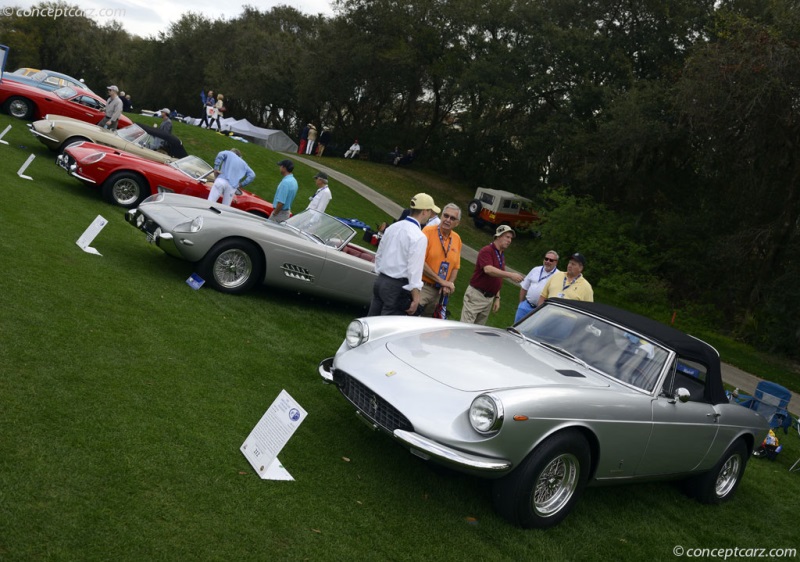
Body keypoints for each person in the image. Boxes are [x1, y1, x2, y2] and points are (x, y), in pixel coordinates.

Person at [368, 193, 440, 316]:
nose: (430, 215)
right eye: (429, 211)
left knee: (370, 322)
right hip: (396, 287)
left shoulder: (393, 227)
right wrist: (416, 298)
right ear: (424, 211)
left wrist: (381, 273)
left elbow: (379, 254)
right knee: (388, 329)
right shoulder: (419, 236)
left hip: (381, 280)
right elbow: (414, 270)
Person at [460, 225, 525, 325]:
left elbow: (497, 276)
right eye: (507, 237)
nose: (509, 241)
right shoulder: (487, 251)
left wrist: (497, 298)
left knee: (476, 332)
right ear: (498, 236)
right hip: (476, 295)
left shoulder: (501, 254)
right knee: (464, 329)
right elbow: (488, 269)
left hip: (488, 299)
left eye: (511, 238)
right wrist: (510, 275)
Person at [419, 203, 462, 316]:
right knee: (411, 321)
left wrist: (449, 284)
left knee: (428, 330)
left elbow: (455, 267)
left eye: (452, 218)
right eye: (446, 216)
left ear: (457, 223)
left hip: (440, 293)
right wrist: (442, 281)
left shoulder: (457, 239)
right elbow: (420, 262)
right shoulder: (427, 232)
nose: (448, 220)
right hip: (423, 287)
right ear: (441, 216)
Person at [515, 250, 560, 323]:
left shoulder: (558, 276)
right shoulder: (535, 270)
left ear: (556, 262)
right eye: (546, 259)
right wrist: (521, 304)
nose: (548, 261)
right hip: (526, 306)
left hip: (540, 311)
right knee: (515, 329)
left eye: (551, 260)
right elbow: (524, 287)